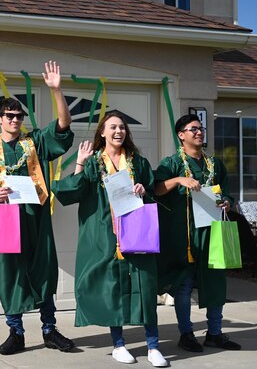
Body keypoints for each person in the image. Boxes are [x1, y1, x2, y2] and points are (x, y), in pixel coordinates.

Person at [0, 61, 75, 355]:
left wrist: (56, 90)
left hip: (35, 218)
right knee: (10, 274)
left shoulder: (35, 142)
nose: (15, 119)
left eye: (19, 115)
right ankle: (15, 331)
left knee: (43, 270)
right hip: (6, 221)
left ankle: (50, 329)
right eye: (10, 115)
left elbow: (63, 127)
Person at [51, 111, 168, 367]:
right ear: (102, 133)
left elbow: (152, 189)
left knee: (145, 289)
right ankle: (118, 344)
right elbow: (71, 192)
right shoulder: (94, 163)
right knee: (111, 289)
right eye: (112, 127)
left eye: (122, 127)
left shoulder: (138, 162)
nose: (118, 131)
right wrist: (80, 162)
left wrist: (143, 189)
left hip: (136, 233)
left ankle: (153, 346)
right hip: (105, 235)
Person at [154, 114, 241, 352]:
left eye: (200, 128)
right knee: (183, 286)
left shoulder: (215, 164)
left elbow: (227, 194)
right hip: (185, 237)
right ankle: (186, 334)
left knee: (216, 283)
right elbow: (157, 189)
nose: (199, 132)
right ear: (181, 135)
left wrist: (226, 202)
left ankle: (215, 333)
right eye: (193, 129)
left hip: (212, 233)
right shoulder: (171, 163)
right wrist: (179, 179)